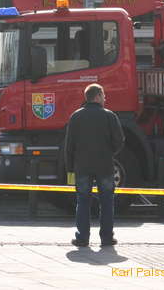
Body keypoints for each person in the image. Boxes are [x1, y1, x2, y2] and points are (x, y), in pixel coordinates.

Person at [64, 83, 125, 247]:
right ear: (97, 96)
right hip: (105, 166)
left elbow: (69, 146)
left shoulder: (76, 116)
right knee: (107, 201)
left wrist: (70, 170)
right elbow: (119, 140)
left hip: (82, 167)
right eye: (103, 95)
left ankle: (82, 238)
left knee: (83, 201)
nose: (105, 98)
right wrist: (109, 152)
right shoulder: (109, 116)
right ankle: (106, 238)